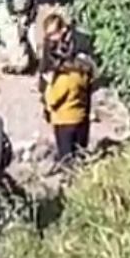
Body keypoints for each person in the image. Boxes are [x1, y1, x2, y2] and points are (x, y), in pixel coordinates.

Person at [37, 11, 98, 167]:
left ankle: (78, 166)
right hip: (60, 97)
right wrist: (44, 98)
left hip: (80, 92)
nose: (50, 39)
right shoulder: (49, 44)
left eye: (53, 34)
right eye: (48, 35)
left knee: (78, 141)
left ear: (63, 29)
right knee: (66, 146)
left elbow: (92, 68)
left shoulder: (81, 41)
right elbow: (44, 69)